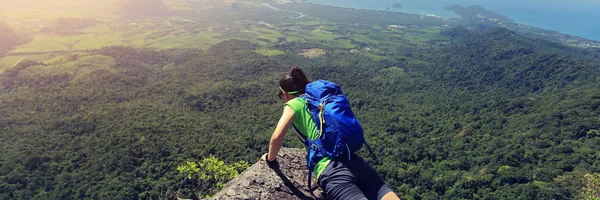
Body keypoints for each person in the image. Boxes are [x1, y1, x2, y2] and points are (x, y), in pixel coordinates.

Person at [261, 66, 401, 200]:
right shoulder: (320, 99)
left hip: (331, 170)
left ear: (285, 94)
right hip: (353, 160)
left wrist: (270, 160)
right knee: (384, 192)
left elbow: (277, 136)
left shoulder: (294, 104)